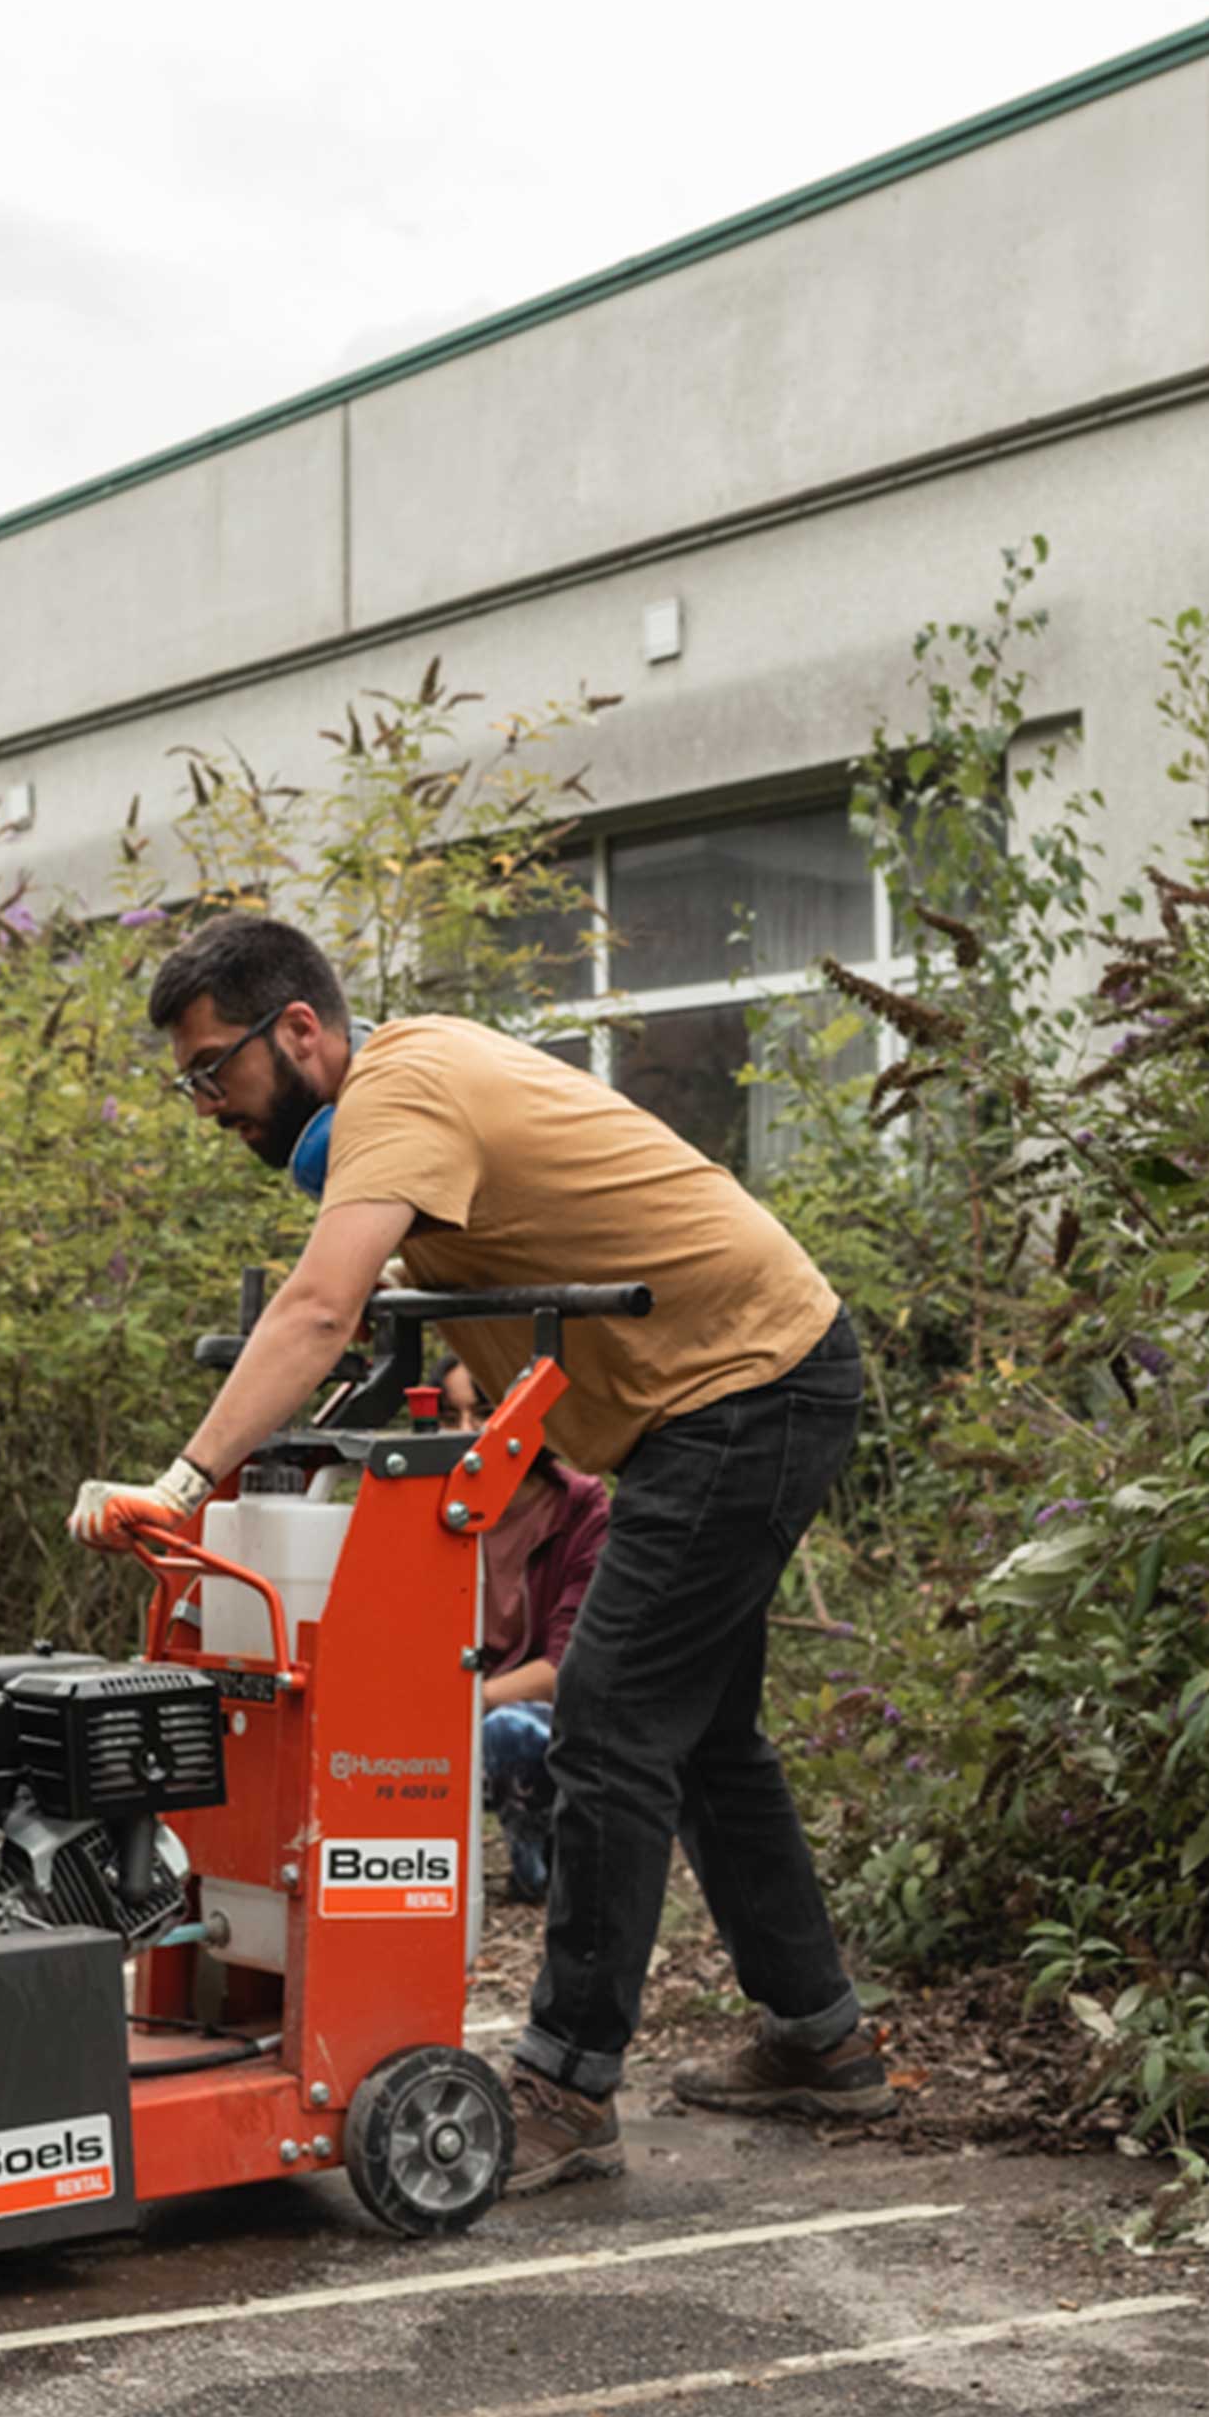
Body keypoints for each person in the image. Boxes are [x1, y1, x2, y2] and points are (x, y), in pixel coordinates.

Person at [74, 908, 892, 2182]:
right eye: (189, 1081)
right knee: (706, 1738)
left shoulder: (399, 1093)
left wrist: (184, 1483)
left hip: (748, 1386)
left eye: (213, 1069)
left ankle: (567, 2084)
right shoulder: (411, 1091)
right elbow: (392, 1301)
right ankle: (821, 2041)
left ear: (300, 1029)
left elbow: (319, 1305)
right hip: (724, 1392)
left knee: (608, 1725)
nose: (206, 1105)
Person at [473, 1454, 609, 1904]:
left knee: (512, 1731)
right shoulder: (424, 1502)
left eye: (482, 1418)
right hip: (446, 1703)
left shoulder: (579, 1511)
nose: (469, 1432)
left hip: (537, 1717)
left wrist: (462, 1701)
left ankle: (539, 1869)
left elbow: (567, 1665)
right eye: (452, 1420)